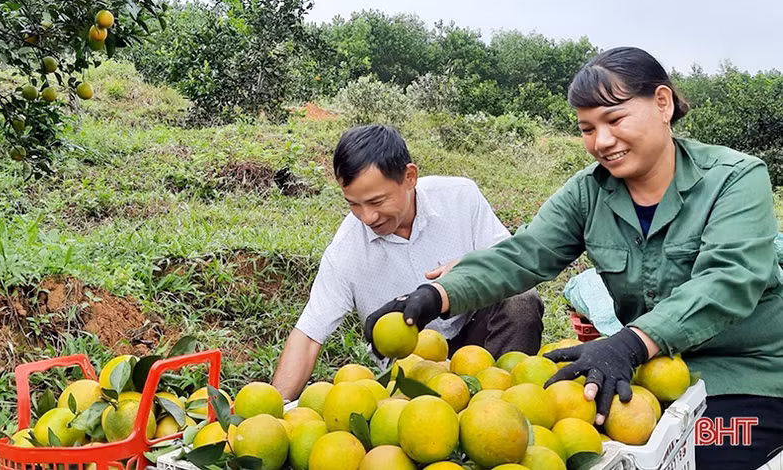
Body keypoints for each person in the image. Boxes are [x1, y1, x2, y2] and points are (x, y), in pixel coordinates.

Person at [366, 47, 783, 470]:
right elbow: (523, 254)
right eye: (587, 128)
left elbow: (729, 279)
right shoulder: (589, 192)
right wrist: (434, 295)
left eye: (615, 120)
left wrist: (631, 342)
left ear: (663, 103)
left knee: (704, 458)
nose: (601, 141)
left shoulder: (735, 178)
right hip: (645, 376)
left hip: (745, 376)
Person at [271, 124, 544, 401]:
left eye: (377, 201)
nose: (367, 217)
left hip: (478, 341)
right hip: (411, 364)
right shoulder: (346, 249)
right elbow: (308, 336)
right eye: (354, 204)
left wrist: (470, 266)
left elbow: (511, 266)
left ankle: (506, 406)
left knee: (520, 300)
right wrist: (274, 410)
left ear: (409, 177)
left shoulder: (460, 199)